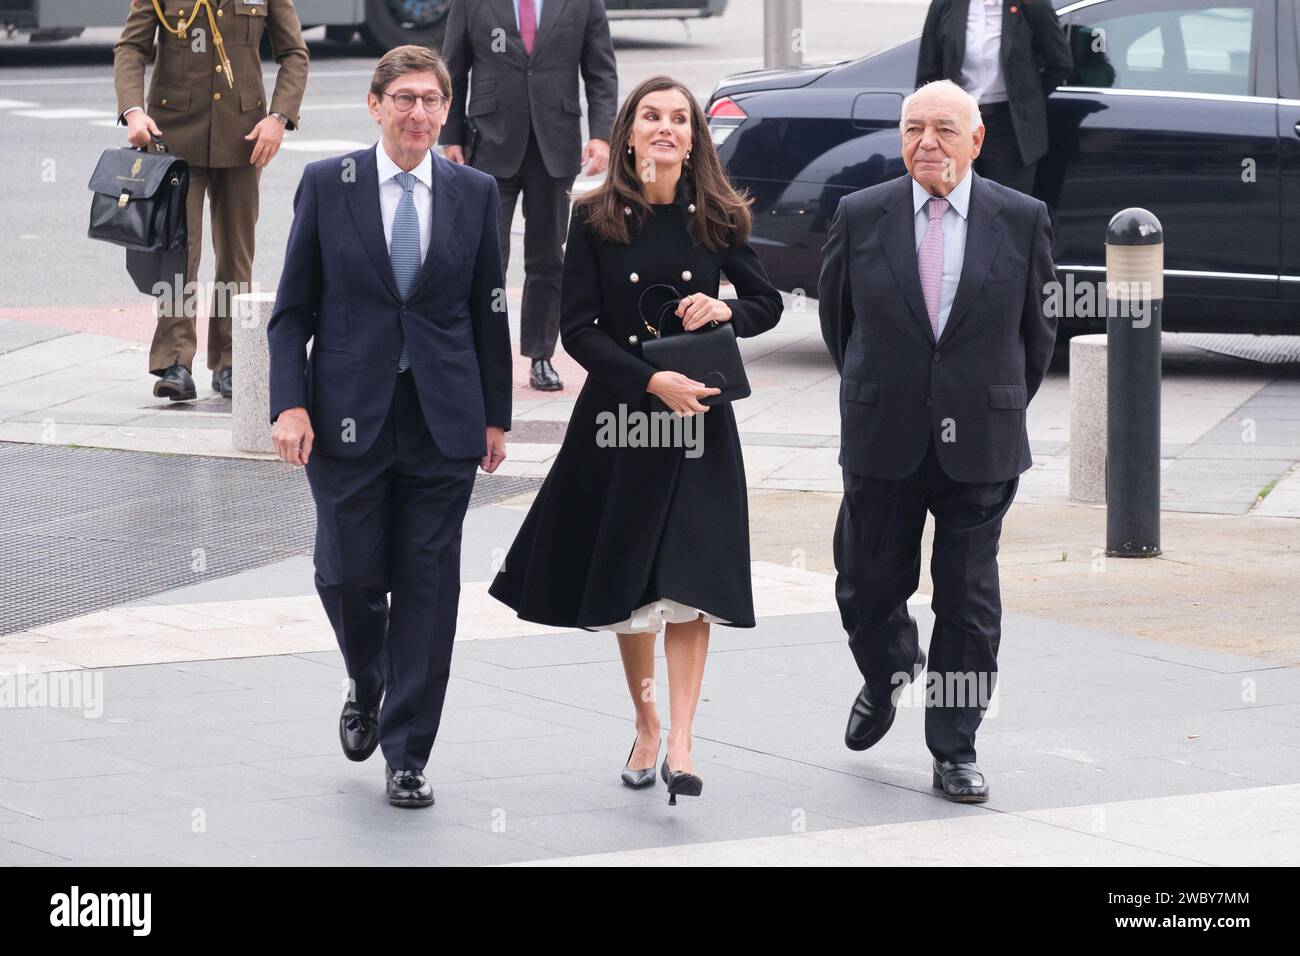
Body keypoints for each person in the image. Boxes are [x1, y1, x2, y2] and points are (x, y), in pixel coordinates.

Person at [488, 75, 783, 805]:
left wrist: (727, 307)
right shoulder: (592, 217)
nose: (665, 128)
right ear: (627, 133)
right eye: (651, 116)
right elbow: (577, 329)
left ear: (693, 137)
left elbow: (768, 304)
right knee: (632, 587)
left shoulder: (717, 216)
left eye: (679, 119)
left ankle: (682, 743)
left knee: (691, 584)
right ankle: (646, 725)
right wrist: (652, 383)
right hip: (622, 421)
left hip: (699, 425)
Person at [267, 46, 512, 809]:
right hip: (344, 419)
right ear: (374, 106)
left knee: (430, 591)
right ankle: (366, 673)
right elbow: (291, 312)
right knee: (347, 575)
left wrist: (496, 418)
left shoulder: (474, 193)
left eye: (433, 100)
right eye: (404, 98)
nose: (419, 114)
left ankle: (407, 752)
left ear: (447, 110)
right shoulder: (327, 185)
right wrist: (289, 403)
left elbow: (489, 312)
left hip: (443, 421)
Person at [817, 79, 1057, 803]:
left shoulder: (1020, 219)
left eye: (946, 129)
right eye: (914, 128)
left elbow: (1037, 334)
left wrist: (991, 402)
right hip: (882, 433)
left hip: (979, 443)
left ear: (977, 140)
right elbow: (838, 322)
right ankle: (887, 669)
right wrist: (883, 390)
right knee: (866, 585)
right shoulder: (862, 214)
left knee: (968, 599)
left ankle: (955, 744)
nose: (928, 143)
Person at [114, 0, 309, 401]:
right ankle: (175, 362)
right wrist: (132, 111)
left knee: (236, 254)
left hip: (244, 136)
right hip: (172, 135)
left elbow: (294, 54)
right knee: (178, 252)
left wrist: (279, 118)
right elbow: (131, 47)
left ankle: (231, 360)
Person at [441, 0, 618, 392]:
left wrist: (602, 135)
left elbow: (601, 71)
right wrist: (450, 135)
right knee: (486, 255)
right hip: (487, 143)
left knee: (548, 257)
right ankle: (480, 352)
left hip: (555, 143)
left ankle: (541, 355)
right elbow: (452, 68)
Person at [916, 0, 1072, 195]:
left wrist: (1026, 99)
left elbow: (1060, 62)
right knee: (953, 205)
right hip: (954, 124)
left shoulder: (1032, 5)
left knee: (1004, 211)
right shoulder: (946, 5)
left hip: (1008, 128)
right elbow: (928, 69)